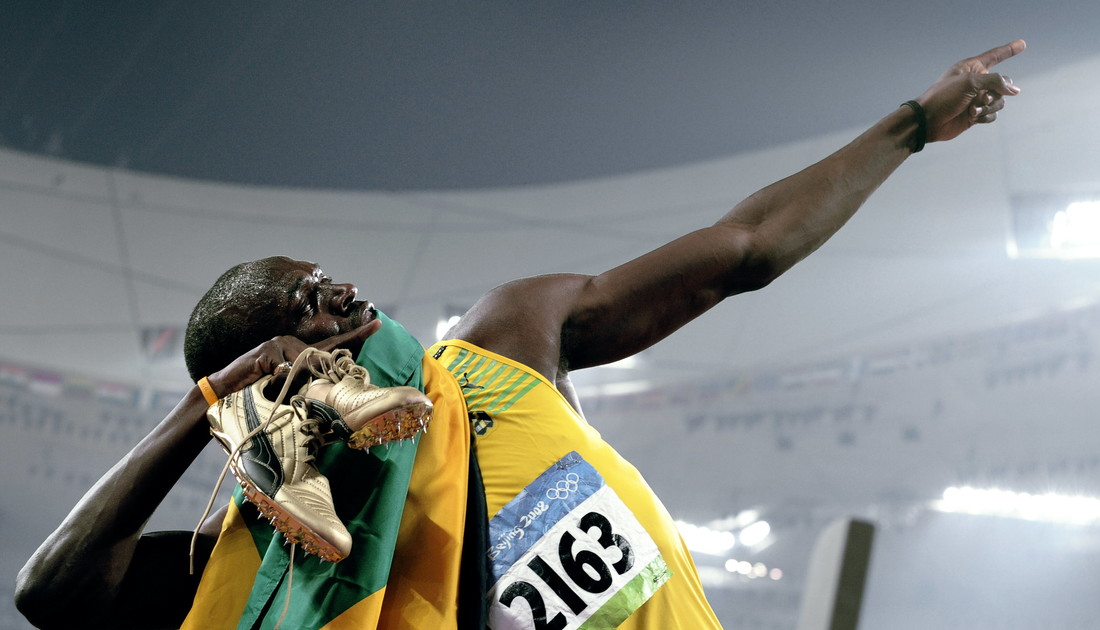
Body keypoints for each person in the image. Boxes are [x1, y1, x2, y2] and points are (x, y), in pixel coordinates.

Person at [15, 40, 1025, 629]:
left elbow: (743, 248)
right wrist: (204, 408)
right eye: (304, 304)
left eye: (326, 276)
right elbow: (50, 595)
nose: (341, 294)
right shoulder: (287, 559)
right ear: (257, 384)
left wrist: (911, 126)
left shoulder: (501, 342)